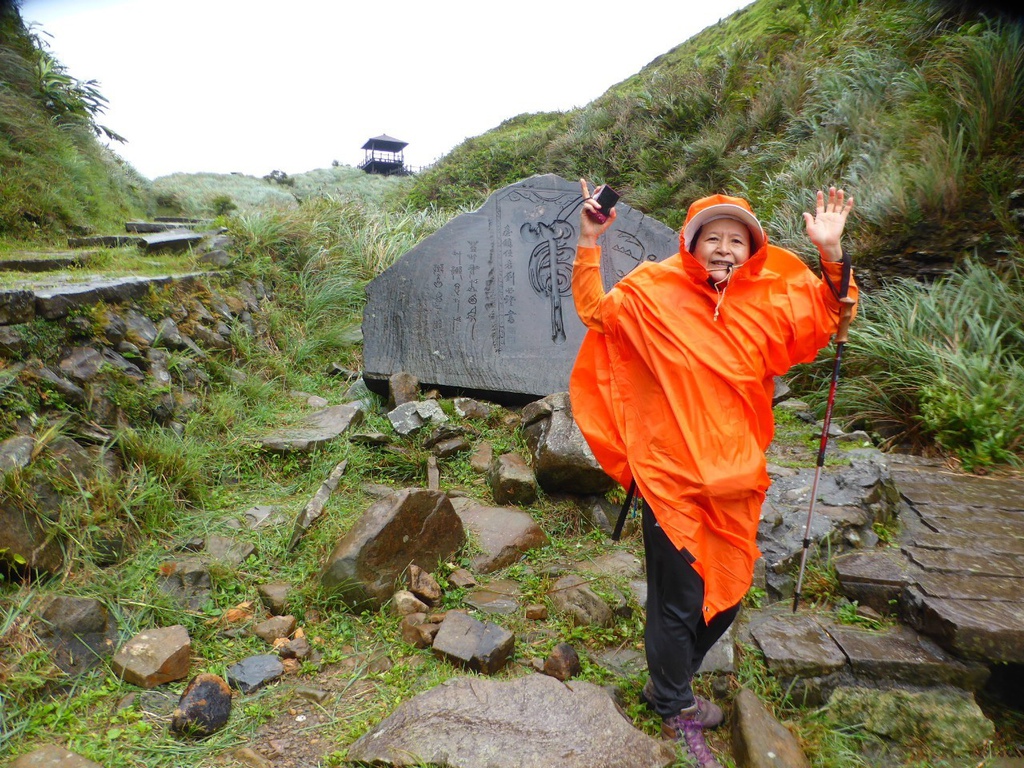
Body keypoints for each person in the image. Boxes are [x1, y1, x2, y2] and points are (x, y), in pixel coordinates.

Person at [569, 181, 856, 767]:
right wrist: (590, 240)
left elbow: (831, 313)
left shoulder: (771, 299)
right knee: (679, 601)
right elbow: (596, 310)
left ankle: (667, 679)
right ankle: (673, 699)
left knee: (729, 589)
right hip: (670, 476)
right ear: (690, 243)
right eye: (713, 238)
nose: (725, 248)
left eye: (737, 240)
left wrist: (830, 252)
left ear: (752, 251)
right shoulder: (653, 291)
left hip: (736, 478)